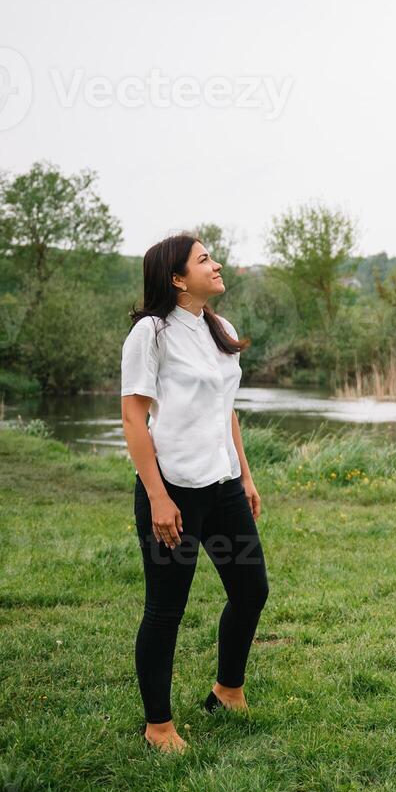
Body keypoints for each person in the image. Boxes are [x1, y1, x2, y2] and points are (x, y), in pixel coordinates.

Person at [119, 235, 270, 754]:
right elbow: (134, 417)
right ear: (177, 278)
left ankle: (227, 691)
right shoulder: (151, 334)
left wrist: (245, 475)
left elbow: (225, 408)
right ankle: (157, 727)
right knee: (166, 610)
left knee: (251, 591)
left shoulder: (219, 328)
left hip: (223, 488)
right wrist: (158, 498)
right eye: (204, 259)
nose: (217, 263)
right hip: (174, 492)